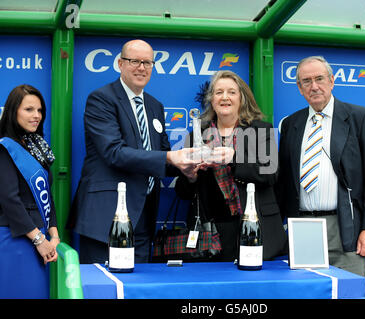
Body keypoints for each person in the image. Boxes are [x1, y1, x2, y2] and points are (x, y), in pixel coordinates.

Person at [69, 39, 199, 264]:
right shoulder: (101, 99)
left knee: (137, 287)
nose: (142, 67)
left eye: (147, 62)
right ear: (120, 63)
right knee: (104, 288)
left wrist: (186, 167)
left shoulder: (154, 106)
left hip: (144, 218)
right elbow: (114, 152)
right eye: (135, 61)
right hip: (106, 218)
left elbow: (161, 157)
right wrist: (170, 157)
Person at [276, 56, 365, 276]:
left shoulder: (360, 117)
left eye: (319, 79)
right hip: (302, 228)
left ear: (332, 81)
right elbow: (284, 180)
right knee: (306, 292)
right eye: (306, 81)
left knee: (347, 292)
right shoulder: (290, 124)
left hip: (345, 226)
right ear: (299, 87)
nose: (314, 86)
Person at [175, 70, 287, 262]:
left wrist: (234, 158)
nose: (225, 97)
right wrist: (191, 176)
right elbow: (183, 192)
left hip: (253, 225)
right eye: (219, 92)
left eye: (231, 92)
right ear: (211, 99)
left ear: (242, 98)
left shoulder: (260, 130)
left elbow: (271, 174)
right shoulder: (196, 135)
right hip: (210, 232)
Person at [0, 84, 60, 298]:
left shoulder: (37, 146)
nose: (37, 116)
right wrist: (39, 240)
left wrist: (53, 234)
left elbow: (47, 195)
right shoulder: (4, 147)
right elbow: (9, 199)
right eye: (29, 110)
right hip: (14, 239)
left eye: (40, 110)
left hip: (39, 240)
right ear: (13, 111)